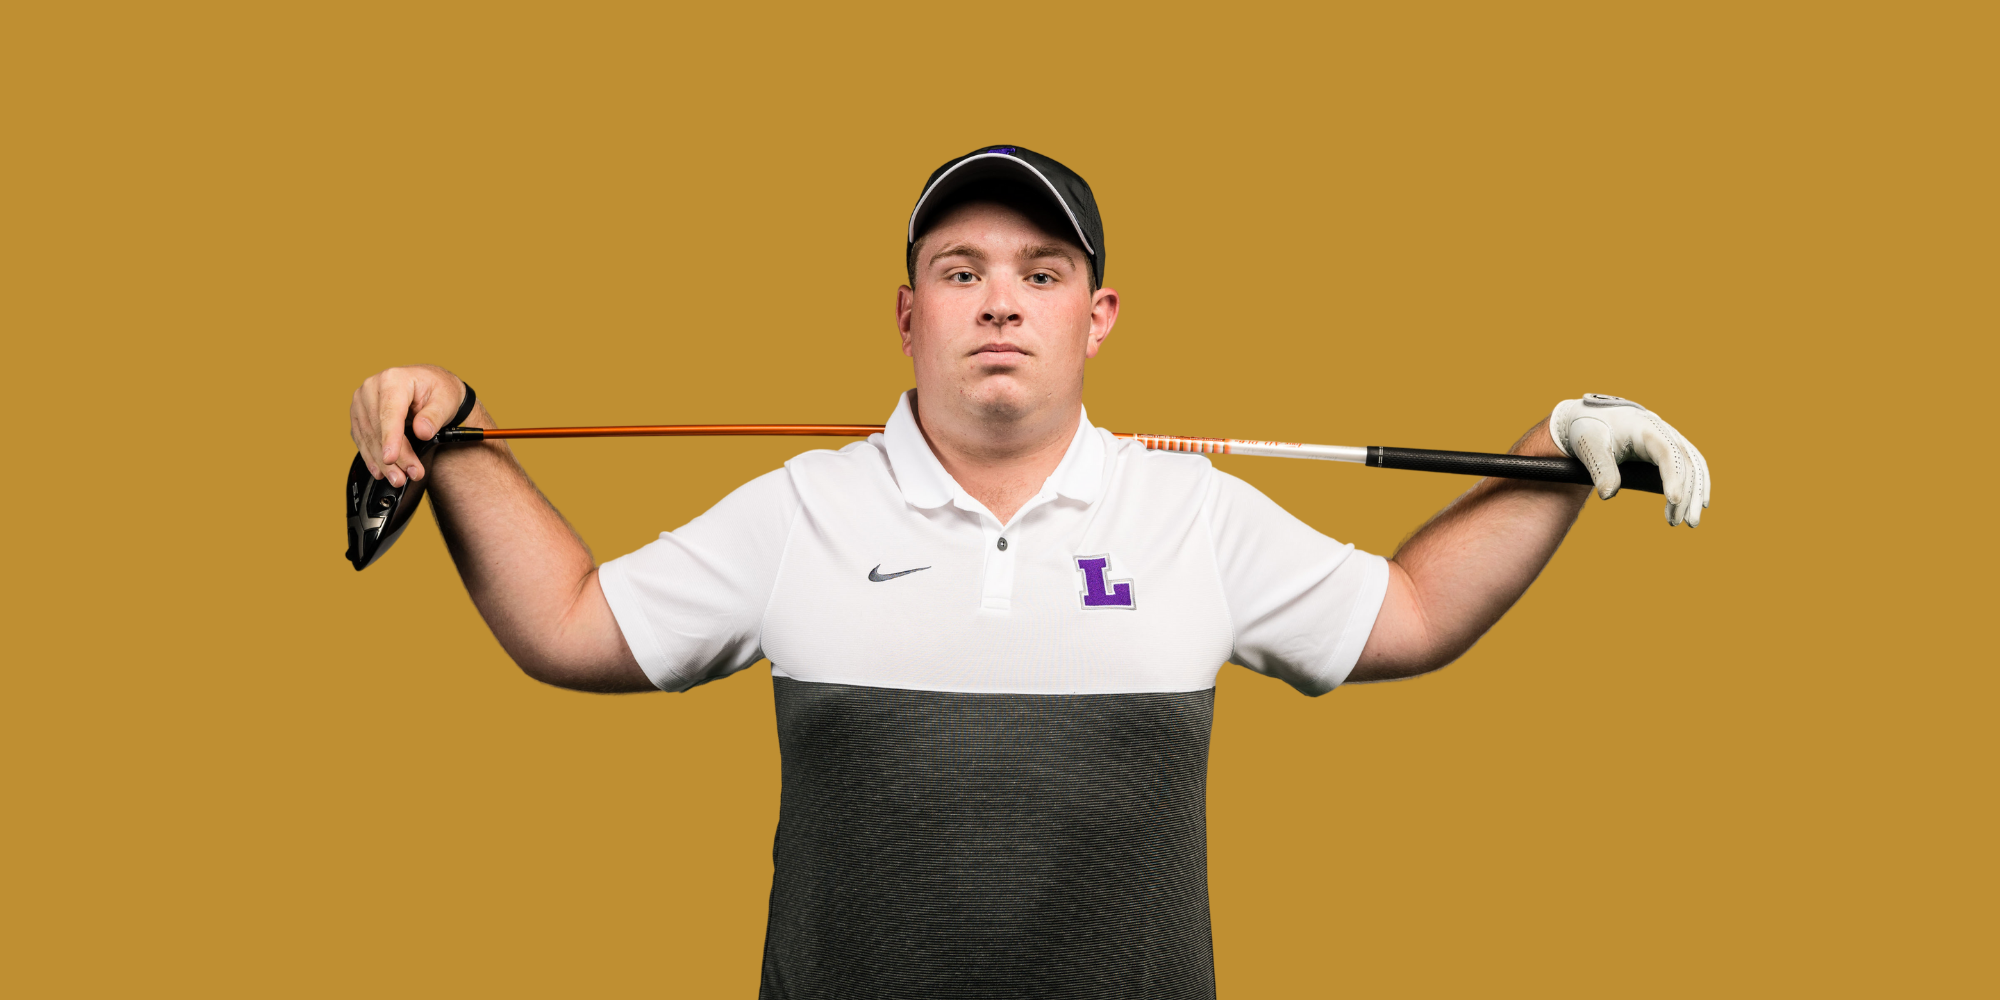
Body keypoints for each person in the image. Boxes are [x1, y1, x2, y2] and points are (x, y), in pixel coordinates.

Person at [348, 145, 1710, 998]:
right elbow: (572, 626)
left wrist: (1551, 456)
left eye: (1042, 271)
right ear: (908, 313)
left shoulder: (1192, 512)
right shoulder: (800, 509)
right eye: (961, 269)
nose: (1001, 299)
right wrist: (455, 436)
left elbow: (1410, 613)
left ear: (1095, 317)